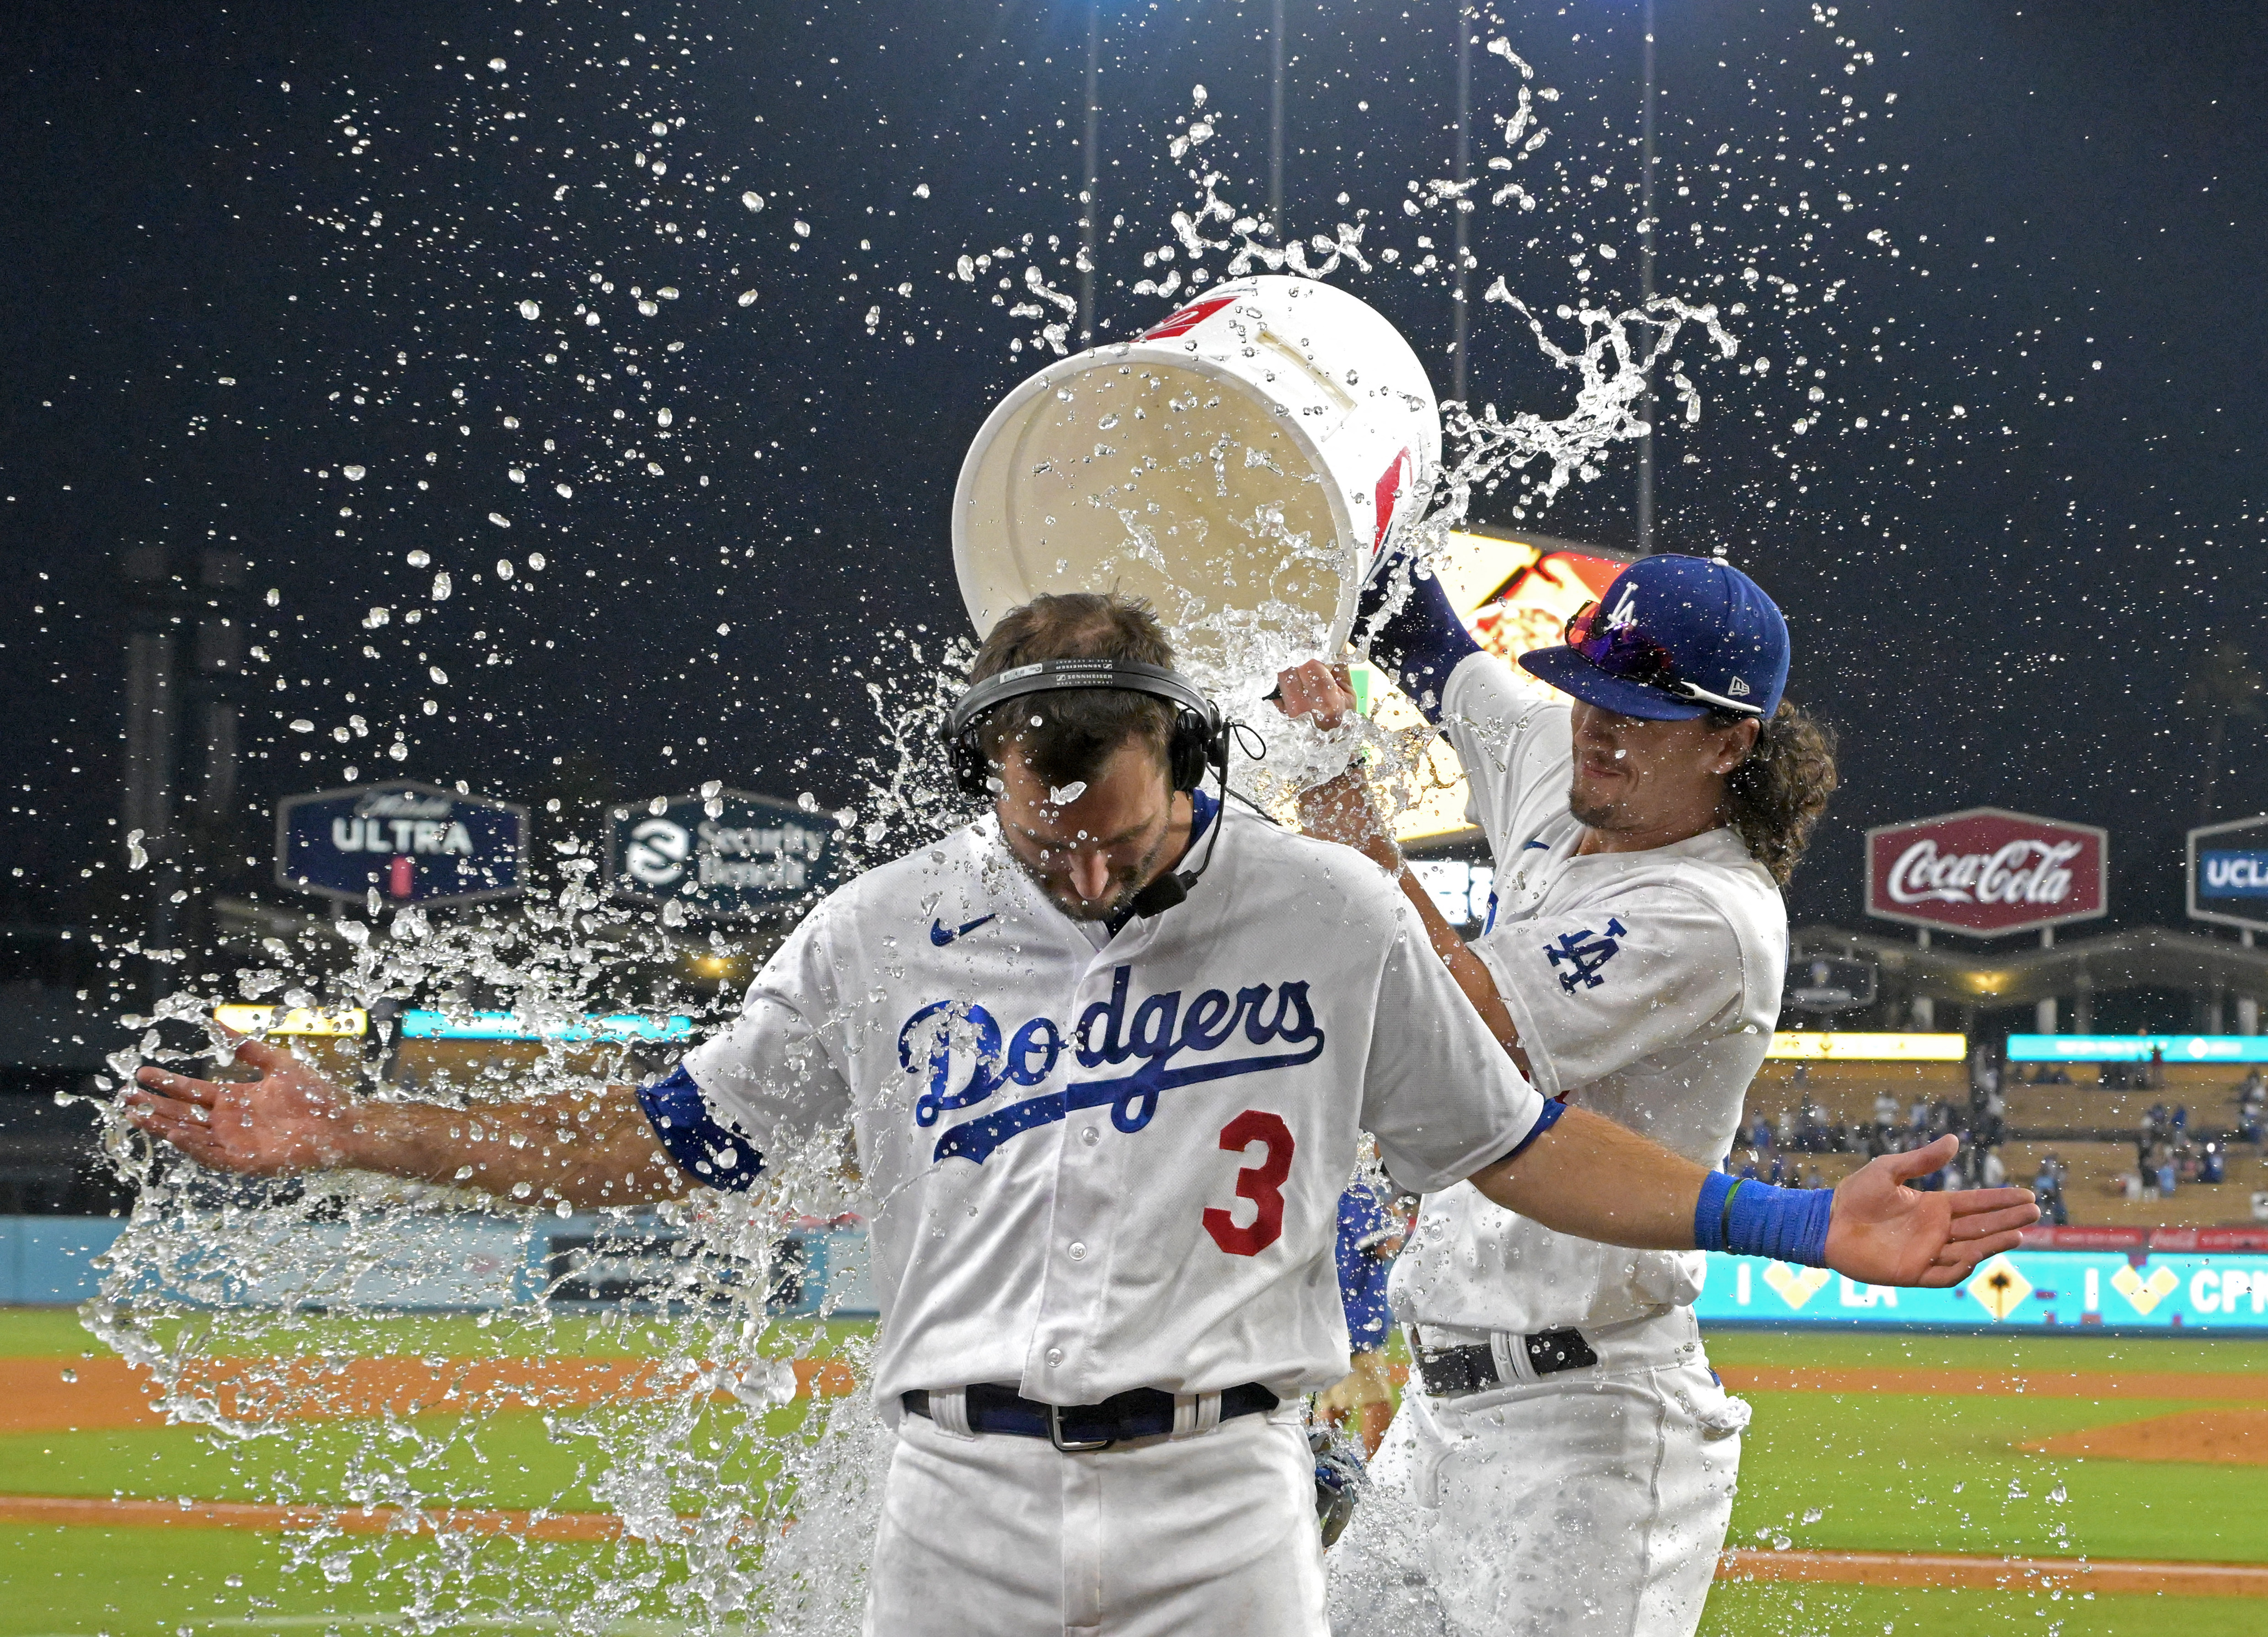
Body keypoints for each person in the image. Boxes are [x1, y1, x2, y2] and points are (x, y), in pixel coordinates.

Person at [125, 593, 2034, 1637]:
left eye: (1101, 784)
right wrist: (352, 1123)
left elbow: (1520, 1136)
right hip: (999, 1489)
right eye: (1023, 784)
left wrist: (1800, 1225)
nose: (1066, 825)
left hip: (1306, 1473)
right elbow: (668, 1134)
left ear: (1180, 759)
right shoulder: (886, 929)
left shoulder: (1383, 906)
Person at [1275, 552, 1867, 1637]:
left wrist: (1333, 790)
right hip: (1436, 1410)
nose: (1597, 726)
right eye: (1589, 688)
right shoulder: (1568, 754)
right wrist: (1340, 498)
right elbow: (1423, 634)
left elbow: (1450, 1023)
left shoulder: (1710, 912)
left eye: (1640, 711)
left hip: (1588, 1429)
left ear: (1731, 742)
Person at [1317, 1178, 1403, 1458]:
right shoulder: (1358, 1188)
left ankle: (1317, 1474)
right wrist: (1397, 1223)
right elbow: (1381, 1244)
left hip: (1331, 1312)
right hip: (1357, 1319)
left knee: (1333, 1407)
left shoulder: (1332, 1183)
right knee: (1378, 1404)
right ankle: (1372, 1474)